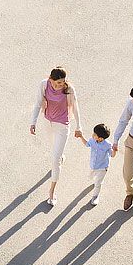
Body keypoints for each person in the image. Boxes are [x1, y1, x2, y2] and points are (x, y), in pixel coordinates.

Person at [29, 67, 84, 205]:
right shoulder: (44, 84)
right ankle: (60, 157)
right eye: (58, 83)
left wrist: (79, 126)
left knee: (55, 159)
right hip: (48, 122)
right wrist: (33, 122)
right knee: (54, 149)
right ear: (50, 80)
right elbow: (37, 103)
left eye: (63, 82)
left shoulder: (69, 89)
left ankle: (52, 192)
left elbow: (76, 107)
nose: (60, 85)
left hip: (62, 125)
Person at [77, 123, 112, 206]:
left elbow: (112, 155)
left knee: (98, 183)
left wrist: (114, 150)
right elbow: (87, 144)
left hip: (102, 167)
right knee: (90, 177)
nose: (93, 134)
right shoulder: (92, 140)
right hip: (93, 165)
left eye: (95, 134)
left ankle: (95, 196)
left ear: (100, 138)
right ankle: (95, 182)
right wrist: (81, 137)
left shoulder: (107, 145)